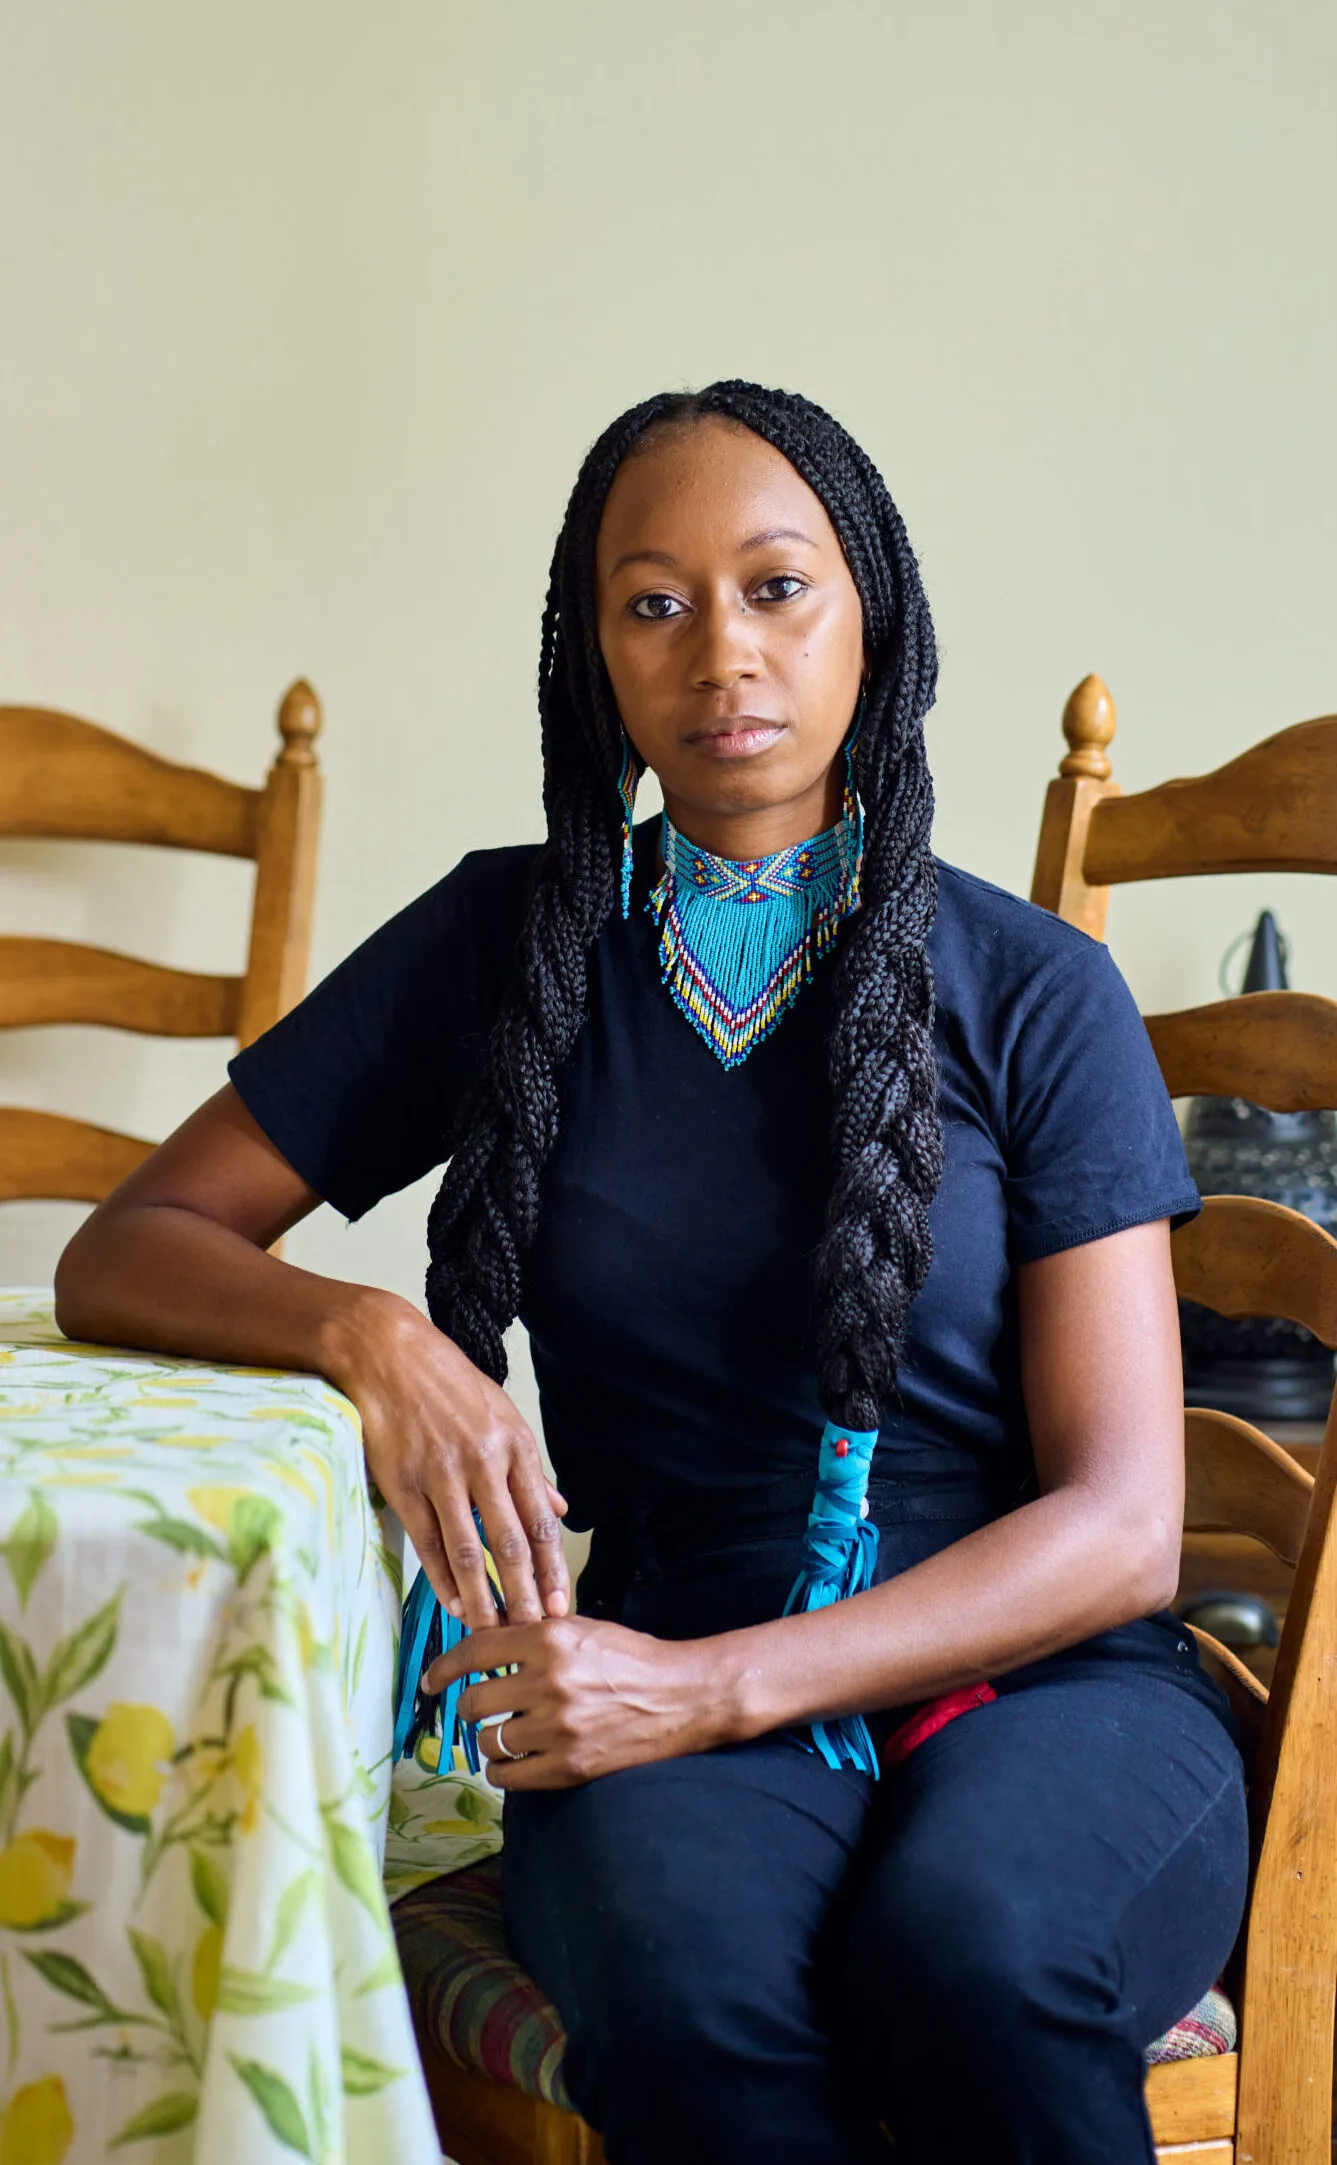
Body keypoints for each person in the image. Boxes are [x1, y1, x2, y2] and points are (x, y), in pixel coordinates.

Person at [55, 381, 1248, 2165]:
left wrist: (718, 1692)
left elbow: (1125, 1530)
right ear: (592, 655)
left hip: (1044, 1672)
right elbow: (127, 1246)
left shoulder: (1031, 988)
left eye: (778, 588)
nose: (722, 654)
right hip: (651, 1652)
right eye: (654, 603)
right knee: (699, 2006)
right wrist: (375, 1339)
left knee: (980, 1958)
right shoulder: (500, 944)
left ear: (874, 621)